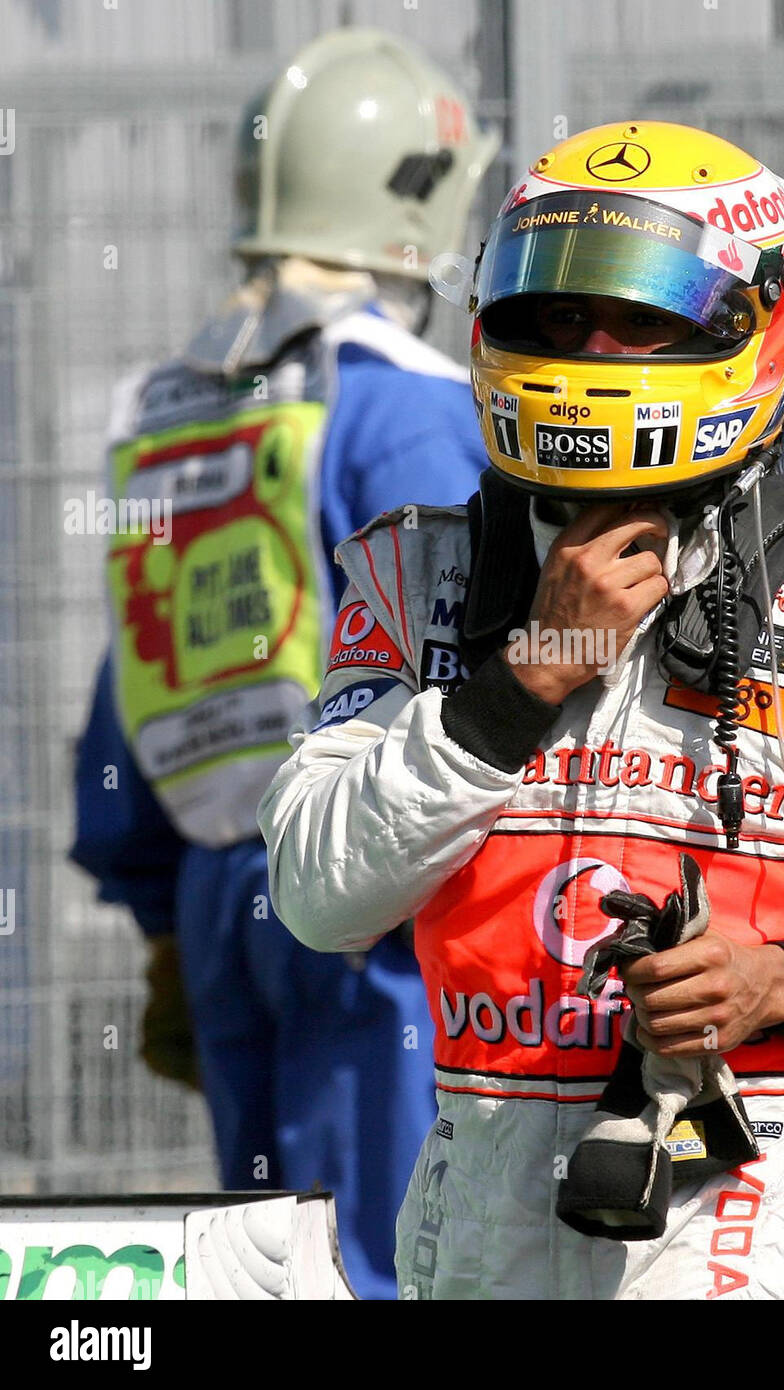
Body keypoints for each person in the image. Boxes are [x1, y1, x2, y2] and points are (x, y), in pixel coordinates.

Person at [258, 121, 784, 1300]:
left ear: (749, 327)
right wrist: (525, 676)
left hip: (730, 1237)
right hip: (470, 1237)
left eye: (641, 317)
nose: (590, 349)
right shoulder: (410, 580)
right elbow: (317, 897)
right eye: (556, 316)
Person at [69, 28, 496, 1300]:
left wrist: (159, 918)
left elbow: (139, 680)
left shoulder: (173, 407)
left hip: (216, 901)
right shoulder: (406, 403)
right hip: (373, 898)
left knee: (265, 1270)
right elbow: (470, 663)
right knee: (395, 1260)